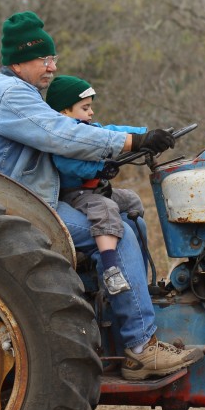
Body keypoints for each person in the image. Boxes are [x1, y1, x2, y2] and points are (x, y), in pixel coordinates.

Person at [0, 11, 203, 380]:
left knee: (127, 212)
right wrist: (132, 141)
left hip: (29, 199)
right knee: (112, 229)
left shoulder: (21, 91)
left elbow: (82, 128)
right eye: (43, 59)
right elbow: (64, 134)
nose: (51, 66)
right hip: (12, 211)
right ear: (17, 61)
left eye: (53, 58)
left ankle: (141, 302)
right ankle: (140, 347)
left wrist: (146, 134)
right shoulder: (9, 94)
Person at [45, 74, 146, 297]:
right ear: (64, 112)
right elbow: (66, 164)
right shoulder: (63, 136)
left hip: (97, 190)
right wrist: (97, 170)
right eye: (85, 107)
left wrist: (146, 134)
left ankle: (141, 278)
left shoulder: (88, 128)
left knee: (131, 200)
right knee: (107, 210)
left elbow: (113, 131)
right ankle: (111, 269)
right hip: (77, 193)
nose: (91, 112)